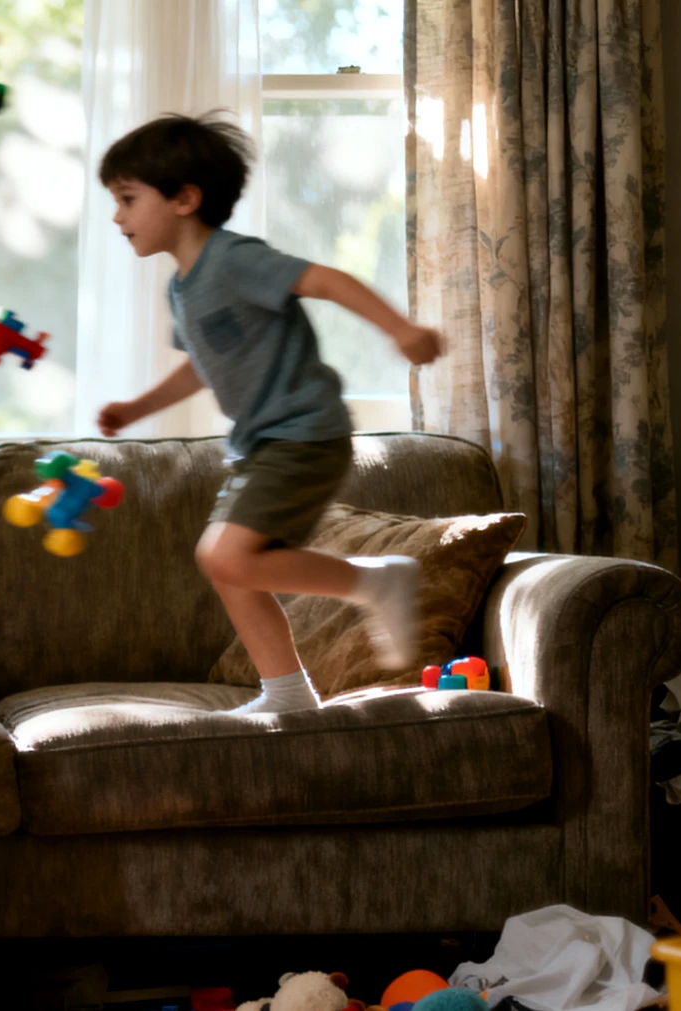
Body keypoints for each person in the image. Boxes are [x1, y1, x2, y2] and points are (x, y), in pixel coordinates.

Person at [93, 113, 444, 715]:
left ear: (184, 198)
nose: (117, 217)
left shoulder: (233, 259)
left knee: (222, 556)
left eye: (127, 199)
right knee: (233, 568)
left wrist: (400, 328)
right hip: (260, 446)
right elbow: (203, 364)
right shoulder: (181, 288)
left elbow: (326, 280)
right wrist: (136, 408)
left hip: (304, 435)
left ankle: (378, 581)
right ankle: (288, 695)